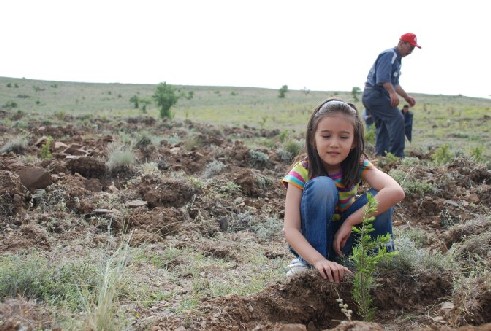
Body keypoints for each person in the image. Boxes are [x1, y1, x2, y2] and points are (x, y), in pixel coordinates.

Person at [282, 99, 405, 283]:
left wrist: (350, 221)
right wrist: (318, 260)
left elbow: (395, 191)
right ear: (313, 139)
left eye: (343, 137)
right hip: (313, 245)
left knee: (377, 198)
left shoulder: (357, 165)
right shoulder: (301, 172)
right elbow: (290, 230)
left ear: (354, 141)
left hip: (344, 240)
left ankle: (374, 262)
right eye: (326, 136)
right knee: (323, 186)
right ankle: (311, 266)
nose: (334, 144)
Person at [362, 32, 421, 157]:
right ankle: (397, 156)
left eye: (413, 48)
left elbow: (395, 84)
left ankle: (381, 156)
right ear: (401, 43)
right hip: (375, 94)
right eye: (410, 47)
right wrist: (392, 93)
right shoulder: (389, 54)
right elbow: (382, 78)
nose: (411, 51)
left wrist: (406, 96)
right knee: (397, 119)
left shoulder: (397, 59)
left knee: (383, 125)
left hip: (376, 96)